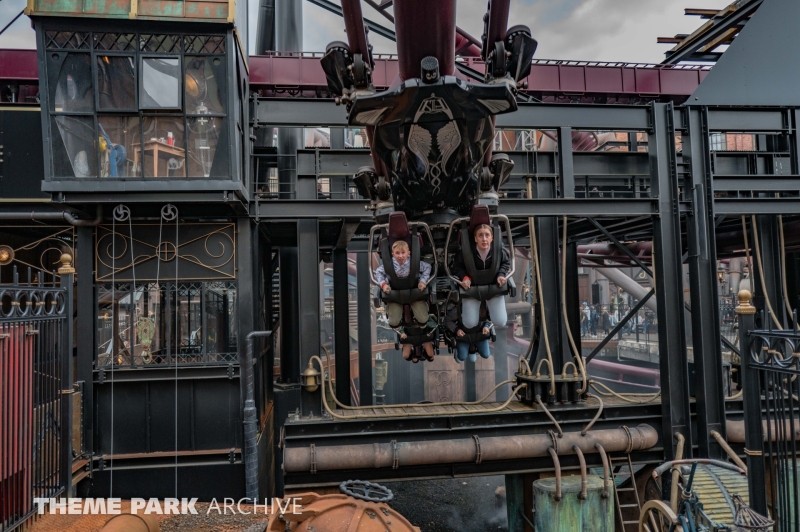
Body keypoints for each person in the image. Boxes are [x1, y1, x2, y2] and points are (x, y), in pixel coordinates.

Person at [374, 240, 435, 361]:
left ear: (409, 253)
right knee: (394, 322)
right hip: (396, 296)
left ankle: (422, 323)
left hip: (414, 294)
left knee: (423, 320)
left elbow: (428, 267)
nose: (400, 256)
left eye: (403, 253)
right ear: (392, 254)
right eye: (397, 253)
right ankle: (402, 326)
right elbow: (378, 272)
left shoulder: (414, 262)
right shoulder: (389, 264)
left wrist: (423, 281)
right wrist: (383, 284)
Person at [452, 224, 510, 332]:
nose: (484, 239)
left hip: (493, 285)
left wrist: (501, 275)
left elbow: (506, 263)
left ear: (492, 237)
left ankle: (488, 317)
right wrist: (464, 277)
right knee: (469, 323)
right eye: (480, 235)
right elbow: (457, 266)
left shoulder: (498, 249)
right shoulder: (466, 251)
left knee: (501, 321)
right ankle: (476, 312)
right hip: (473, 286)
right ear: (475, 238)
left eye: (487, 235)